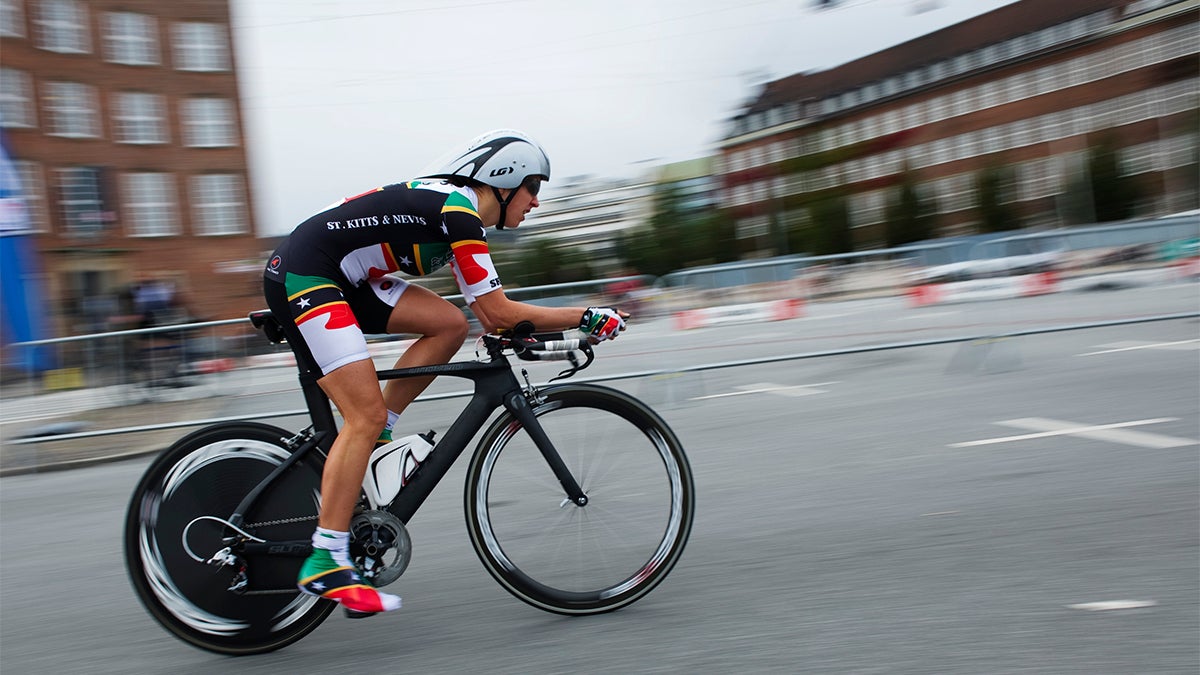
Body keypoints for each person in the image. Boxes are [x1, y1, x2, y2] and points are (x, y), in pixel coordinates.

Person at [262, 130, 628, 616]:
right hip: (307, 276)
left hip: (346, 277)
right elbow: (498, 312)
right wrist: (583, 315)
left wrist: (518, 329)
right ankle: (326, 559)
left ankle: (375, 439)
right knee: (362, 415)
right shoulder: (459, 212)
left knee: (446, 324)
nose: (536, 201)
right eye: (533, 187)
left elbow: (480, 313)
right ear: (503, 181)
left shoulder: (455, 212)